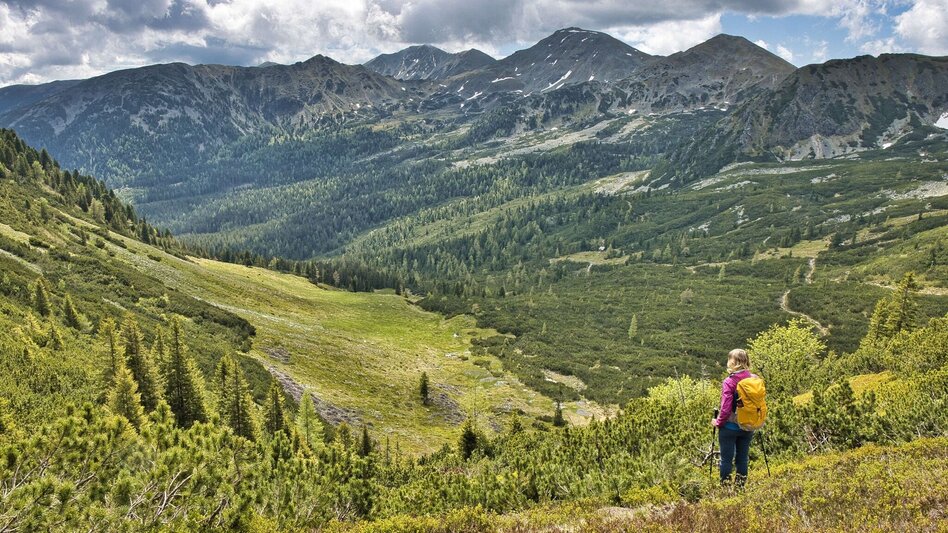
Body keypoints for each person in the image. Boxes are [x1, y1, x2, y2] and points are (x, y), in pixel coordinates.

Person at [712, 348, 756, 487]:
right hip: (748, 425)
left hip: (729, 427)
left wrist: (718, 422)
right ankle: (740, 488)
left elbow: (725, 409)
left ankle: (725, 488)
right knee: (742, 459)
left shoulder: (729, 382)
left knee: (726, 460)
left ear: (733, 362)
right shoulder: (754, 379)